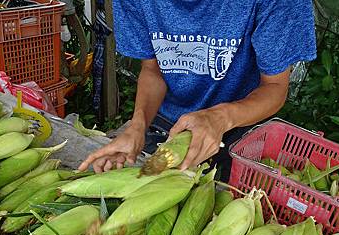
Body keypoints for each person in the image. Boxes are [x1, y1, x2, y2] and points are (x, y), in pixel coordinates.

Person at [78, 0, 317, 180]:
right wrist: (137, 126)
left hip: (242, 125)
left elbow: (274, 88)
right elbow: (153, 71)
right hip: (169, 125)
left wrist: (219, 118)